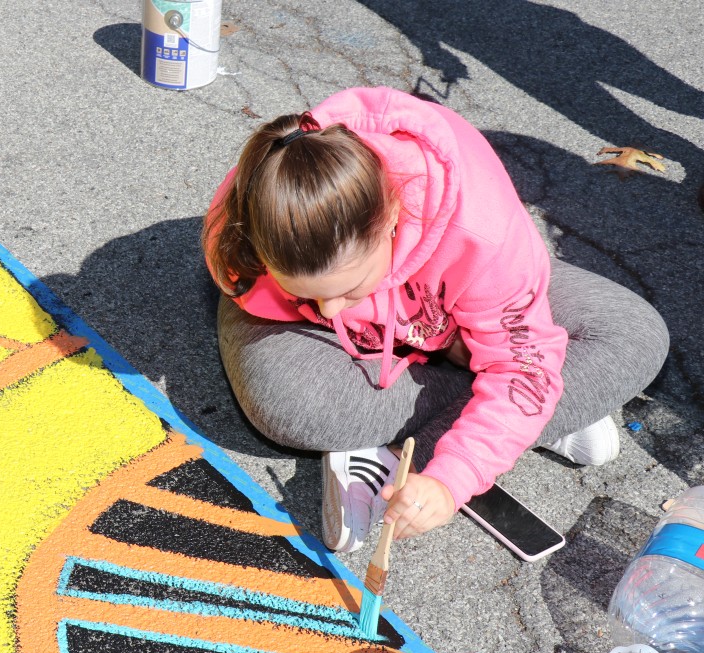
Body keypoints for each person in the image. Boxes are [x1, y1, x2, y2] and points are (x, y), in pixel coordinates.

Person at [202, 86, 669, 551]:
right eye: (304, 293)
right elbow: (282, 313)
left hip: (464, 280)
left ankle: (400, 453)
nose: (330, 311)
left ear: (390, 217)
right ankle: (530, 413)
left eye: (348, 290)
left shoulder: (482, 234)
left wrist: (450, 478)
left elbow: (522, 365)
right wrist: (454, 351)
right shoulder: (237, 235)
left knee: (631, 337)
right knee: (291, 405)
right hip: (425, 322)